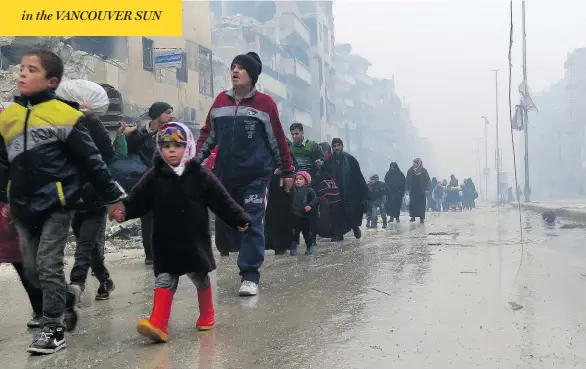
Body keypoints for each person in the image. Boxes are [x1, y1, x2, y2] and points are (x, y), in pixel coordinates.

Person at [0, 49, 124, 354]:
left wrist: (112, 198)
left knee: (47, 264)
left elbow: (94, 161)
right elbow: (3, 161)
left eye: (32, 70)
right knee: (30, 267)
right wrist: (3, 197)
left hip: (57, 204)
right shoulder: (9, 117)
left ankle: (53, 327)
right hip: (22, 207)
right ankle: (61, 306)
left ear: (52, 81)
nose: (23, 74)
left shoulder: (67, 116)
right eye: (22, 68)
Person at [110, 122, 251, 342]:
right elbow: (138, 200)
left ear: (188, 148)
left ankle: (207, 314)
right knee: (164, 280)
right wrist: (124, 211)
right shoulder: (154, 176)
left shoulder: (200, 175)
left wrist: (238, 218)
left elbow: (221, 200)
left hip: (193, 239)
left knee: (200, 277)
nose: (171, 150)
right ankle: (158, 324)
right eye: (166, 146)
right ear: (160, 149)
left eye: (177, 145)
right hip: (165, 240)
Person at [196, 52, 294, 297]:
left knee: (251, 221)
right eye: (233, 67)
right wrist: (191, 163)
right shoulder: (220, 102)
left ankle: (250, 275)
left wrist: (287, 169)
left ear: (252, 75)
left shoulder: (265, 104)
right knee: (231, 222)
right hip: (226, 176)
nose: (235, 71)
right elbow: (208, 135)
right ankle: (247, 254)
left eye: (240, 68)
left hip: (256, 176)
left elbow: (278, 139)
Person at [55, 89, 118, 301]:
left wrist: (92, 118)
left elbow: (108, 155)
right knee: (91, 249)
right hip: (73, 197)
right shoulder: (62, 127)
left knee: (84, 246)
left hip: (95, 196)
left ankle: (77, 284)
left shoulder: (93, 124)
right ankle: (106, 280)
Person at [125, 102, 174, 266]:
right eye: (167, 112)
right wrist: (147, 133)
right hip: (145, 181)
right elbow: (130, 147)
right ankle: (150, 255)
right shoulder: (139, 132)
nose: (170, 116)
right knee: (148, 220)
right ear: (157, 114)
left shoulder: (171, 132)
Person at [0, 205, 43, 328]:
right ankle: (41, 310)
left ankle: (41, 310)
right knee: (27, 273)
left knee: (28, 273)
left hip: (14, 228)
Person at [330, 138, 368, 239]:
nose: (336, 148)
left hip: (349, 192)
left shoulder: (350, 160)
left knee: (350, 212)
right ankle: (339, 234)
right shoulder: (329, 161)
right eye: (334, 146)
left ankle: (355, 227)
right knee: (337, 213)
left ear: (342, 146)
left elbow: (358, 176)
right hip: (335, 192)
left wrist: (364, 191)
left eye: (338, 145)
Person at [290, 171, 318, 255]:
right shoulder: (292, 190)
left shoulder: (310, 190)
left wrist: (310, 205)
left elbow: (315, 200)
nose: (298, 181)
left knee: (307, 233)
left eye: (300, 179)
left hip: (305, 216)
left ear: (306, 181)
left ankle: (309, 246)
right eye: (296, 179)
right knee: (294, 232)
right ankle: (294, 247)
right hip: (295, 215)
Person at [405, 158, 431, 223]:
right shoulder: (410, 170)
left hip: (421, 191)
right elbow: (407, 180)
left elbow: (428, 180)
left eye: (416, 163)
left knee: (421, 205)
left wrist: (427, 189)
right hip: (413, 190)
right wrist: (406, 189)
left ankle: (421, 217)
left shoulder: (423, 171)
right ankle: (413, 217)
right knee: (413, 204)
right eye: (414, 163)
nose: (414, 164)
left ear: (419, 163)